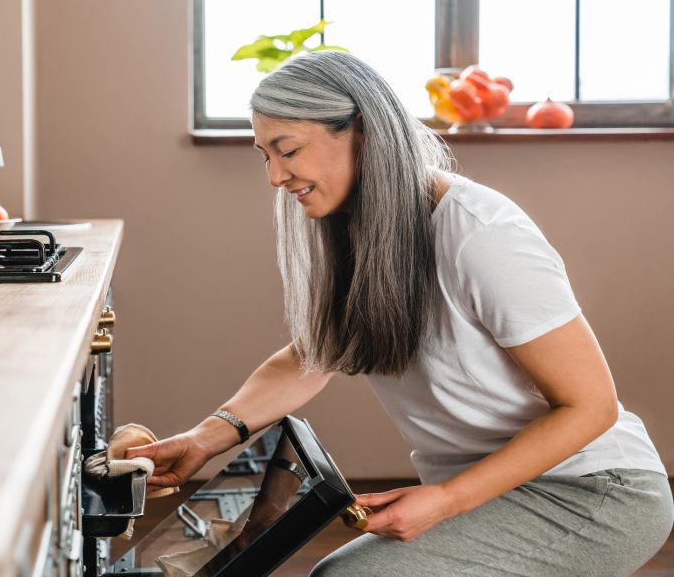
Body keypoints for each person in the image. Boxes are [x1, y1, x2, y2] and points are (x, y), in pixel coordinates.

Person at [124, 51, 673, 576]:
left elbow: (591, 406)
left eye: (288, 151)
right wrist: (204, 438)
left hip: (596, 491)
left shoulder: (480, 233)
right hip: (500, 486)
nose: (274, 177)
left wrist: (447, 499)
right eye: (265, 156)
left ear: (361, 130)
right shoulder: (367, 226)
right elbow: (311, 355)